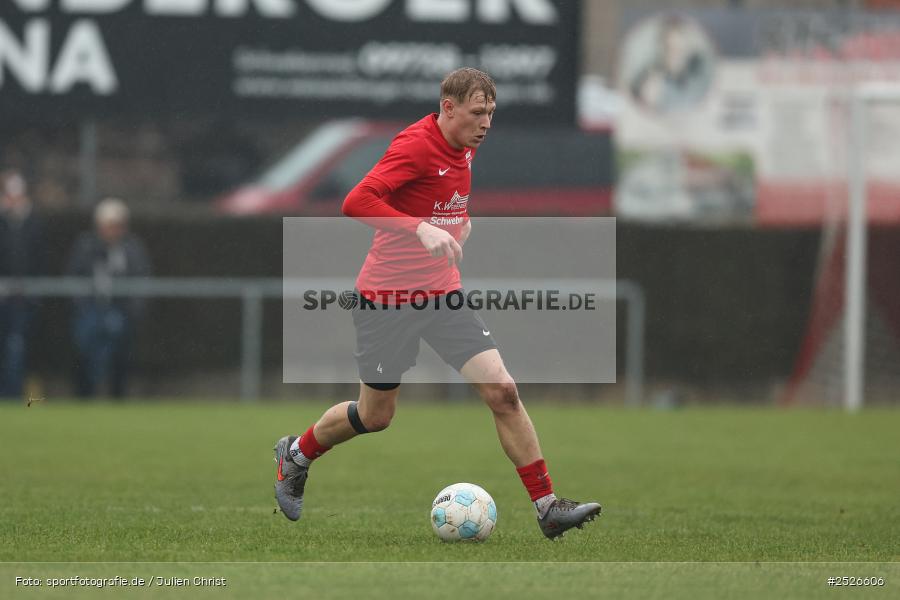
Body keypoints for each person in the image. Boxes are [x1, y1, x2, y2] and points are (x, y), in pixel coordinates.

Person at [274, 68, 601, 539]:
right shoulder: (415, 146)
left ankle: (548, 507)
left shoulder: (465, 144)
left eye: (491, 113)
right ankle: (296, 454)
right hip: (386, 300)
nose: (486, 123)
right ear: (448, 108)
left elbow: (440, 196)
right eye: (477, 112)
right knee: (375, 416)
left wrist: (457, 223)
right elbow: (356, 201)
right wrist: (420, 228)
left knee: (503, 392)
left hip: (442, 295)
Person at [66, 198, 151, 398]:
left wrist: (133, 310)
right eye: (108, 225)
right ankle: (84, 397)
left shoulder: (131, 248)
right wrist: (82, 306)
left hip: (121, 311)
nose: (113, 230)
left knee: (120, 355)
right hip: (90, 310)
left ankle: (117, 397)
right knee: (86, 354)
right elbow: (74, 276)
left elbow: (141, 278)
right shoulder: (86, 246)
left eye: (117, 225)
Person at [0, 171, 45, 398]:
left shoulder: (32, 224)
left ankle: (13, 394)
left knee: (16, 346)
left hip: (22, 300)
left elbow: (37, 259)